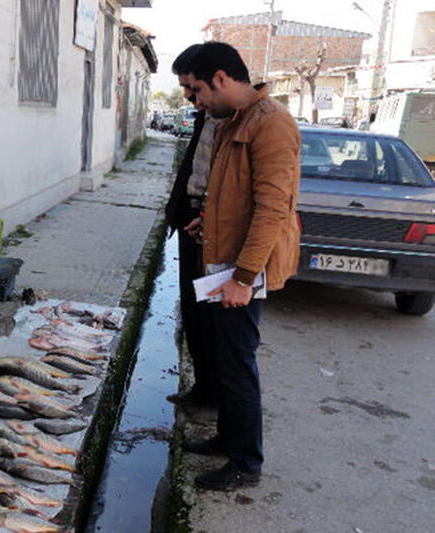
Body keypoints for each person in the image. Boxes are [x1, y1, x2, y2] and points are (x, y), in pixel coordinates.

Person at [181, 42, 301, 491]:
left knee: (237, 365)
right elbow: (233, 193)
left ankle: (245, 463)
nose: (195, 101)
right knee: (224, 357)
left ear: (221, 78)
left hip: (240, 271)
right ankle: (228, 439)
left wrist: (244, 278)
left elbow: (272, 209)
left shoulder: (271, 125)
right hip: (222, 260)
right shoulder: (234, 120)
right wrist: (205, 221)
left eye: (196, 91)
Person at [164, 44, 218, 409]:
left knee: (213, 323)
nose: (188, 97)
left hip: (212, 232)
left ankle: (213, 394)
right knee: (194, 313)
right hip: (193, 225)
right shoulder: (206, 117)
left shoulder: (235, 121)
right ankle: (203, 388)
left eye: (192, 88)